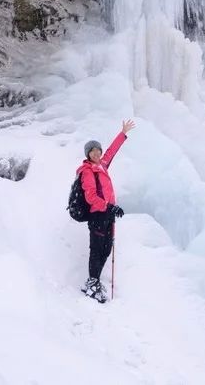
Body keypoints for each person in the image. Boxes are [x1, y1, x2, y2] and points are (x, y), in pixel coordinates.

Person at [79, 118, 135, 302]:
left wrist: (123, 133)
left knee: (106, 249)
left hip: (108, 215)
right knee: (96, 249)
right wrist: (109, 207)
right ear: (88, 154)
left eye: (98, 150)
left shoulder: (102, 165)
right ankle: (92, 284)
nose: (96, 153)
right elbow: (90, 197)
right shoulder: (87, 172)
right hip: (97, 215)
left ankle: (94, 281)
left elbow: (112, 151)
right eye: (92, 151)